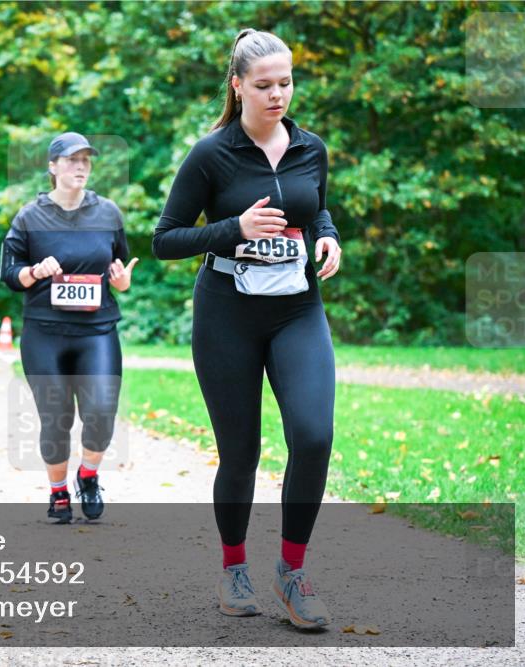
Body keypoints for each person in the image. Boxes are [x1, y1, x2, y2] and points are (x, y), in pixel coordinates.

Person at [152, 29, 342, 629]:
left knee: (313, 437)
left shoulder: (312, 147)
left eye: (286, 83)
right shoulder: (212, 153)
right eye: (264, 85)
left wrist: (327, 237)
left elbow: (317, 207)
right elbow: (164, 240)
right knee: (241, 453)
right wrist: (235, 227)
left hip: (297, 309)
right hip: (227, 311)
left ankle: (293, 572)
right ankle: (235, 567)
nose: (278, 94)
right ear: (238, 86)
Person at [0, 132, 138, 525]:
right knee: (56, 416)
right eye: (72, 160)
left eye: (86, 160)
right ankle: (58, 490)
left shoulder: (108, 212)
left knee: (101, 411)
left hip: (97, 329)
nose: (80, 166)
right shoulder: (30, 216)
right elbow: (8, 272)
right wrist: (31, 272)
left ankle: (88, 476)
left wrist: (122, 283)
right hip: (46, 331)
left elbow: (119, 267)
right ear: (52, 166)